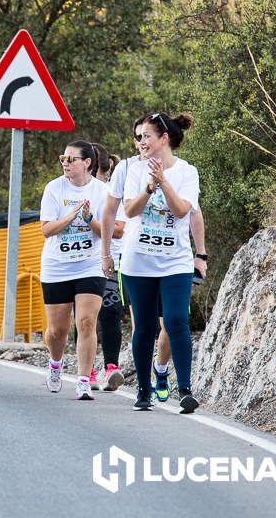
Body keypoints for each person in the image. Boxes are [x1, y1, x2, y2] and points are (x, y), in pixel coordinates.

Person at [101, 117, 209, 403]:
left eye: (146, 136)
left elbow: (184, 210)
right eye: (137, 137)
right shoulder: (132, 169)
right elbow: (130, 211)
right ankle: (144, 390)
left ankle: (185, 389)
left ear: (164, 137)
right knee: (145, 326)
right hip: (138, 261)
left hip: (175, 261)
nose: (141, 142)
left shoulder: (187, 172)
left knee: (175, 321)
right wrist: (150, 187)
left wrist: (164, 182)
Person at [40, 141, 109, 400]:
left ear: (87, 163)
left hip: (90, 263)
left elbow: (112, 231)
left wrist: (90, 219)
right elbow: (46, 229)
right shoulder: (54, 188)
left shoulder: (102, 191)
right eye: (63, 159)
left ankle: (83, 380)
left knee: (86, 322)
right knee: (57, 331)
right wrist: (71, 216)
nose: (65, 163)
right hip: (57, 265)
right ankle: (55, 364)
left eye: (71, 159)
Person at [90, 144, 126, 391]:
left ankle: (111, 368)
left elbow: (119, 229)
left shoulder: (112, 191)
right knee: (86, 317)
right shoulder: (69, 190)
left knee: (112, 311)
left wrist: (88, 220)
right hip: (82, 262)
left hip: (112, 259)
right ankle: (88, 368)